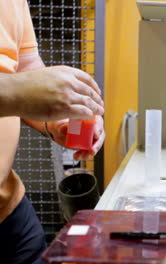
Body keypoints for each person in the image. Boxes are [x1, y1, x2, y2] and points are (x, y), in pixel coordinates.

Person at [0, 0, 105, 263]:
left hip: (8, 206)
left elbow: (24, 67)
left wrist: (57, 119)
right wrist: (16, 92)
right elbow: (17, 87)